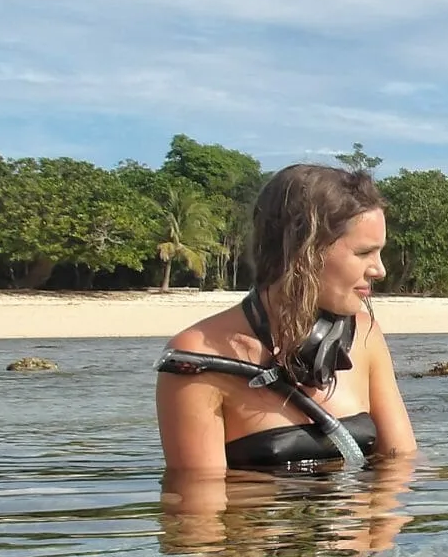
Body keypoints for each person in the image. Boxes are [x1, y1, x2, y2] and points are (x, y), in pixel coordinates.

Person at [155, 164, 416, 470]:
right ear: (304, 250)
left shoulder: (365, 335)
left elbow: (401, 468)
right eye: (363, 253)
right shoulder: (198, 357)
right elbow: (199, 505)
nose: (380, 270)